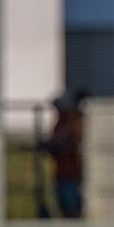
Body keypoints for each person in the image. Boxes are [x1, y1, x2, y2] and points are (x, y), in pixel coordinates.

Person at [43, 89, 86, 219]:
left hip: (71, 175)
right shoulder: (61, 123)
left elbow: (67, 143)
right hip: (61, 174)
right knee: (64, 207)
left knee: (71, 209)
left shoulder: (73, 122)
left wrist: (53, 146)